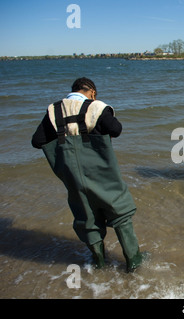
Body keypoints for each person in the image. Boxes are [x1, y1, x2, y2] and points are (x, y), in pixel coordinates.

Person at [32, 77, 147, 273]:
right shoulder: (96, 107)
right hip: (101, 171)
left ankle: (99, 263)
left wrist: (66, 133)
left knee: (86, 217)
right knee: (120, 211)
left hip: (73, 177)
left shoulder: (54, 110)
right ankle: (133, 261)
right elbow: (116, 129)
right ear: (92, 92)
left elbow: (37, 141)